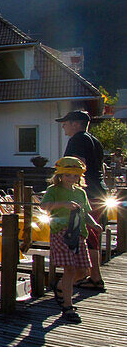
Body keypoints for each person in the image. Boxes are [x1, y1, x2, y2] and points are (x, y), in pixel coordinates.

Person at [40, 156, 100, 322]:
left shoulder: (81, 192)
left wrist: (94, 224)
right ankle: (68, 306)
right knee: (70, 269)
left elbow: (85, 212)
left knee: (83, 271)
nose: (71, 179)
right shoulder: (54, 190)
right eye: (68, 175)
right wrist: (63, 204)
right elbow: (43, 206)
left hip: (79, 233)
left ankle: (59, 288)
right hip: (61, 233)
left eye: (75, 176)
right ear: (60, 175)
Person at [58, 110, 107, 290]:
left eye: (66, 122)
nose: (63, 126)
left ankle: (91, 276)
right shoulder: (95, 141)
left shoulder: (77, 140)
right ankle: (93, 276)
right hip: (99, 192)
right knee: (93, 235)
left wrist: (65, 190)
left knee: (87, 235)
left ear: (75, 124)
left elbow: (77, 166)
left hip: (86, 194)